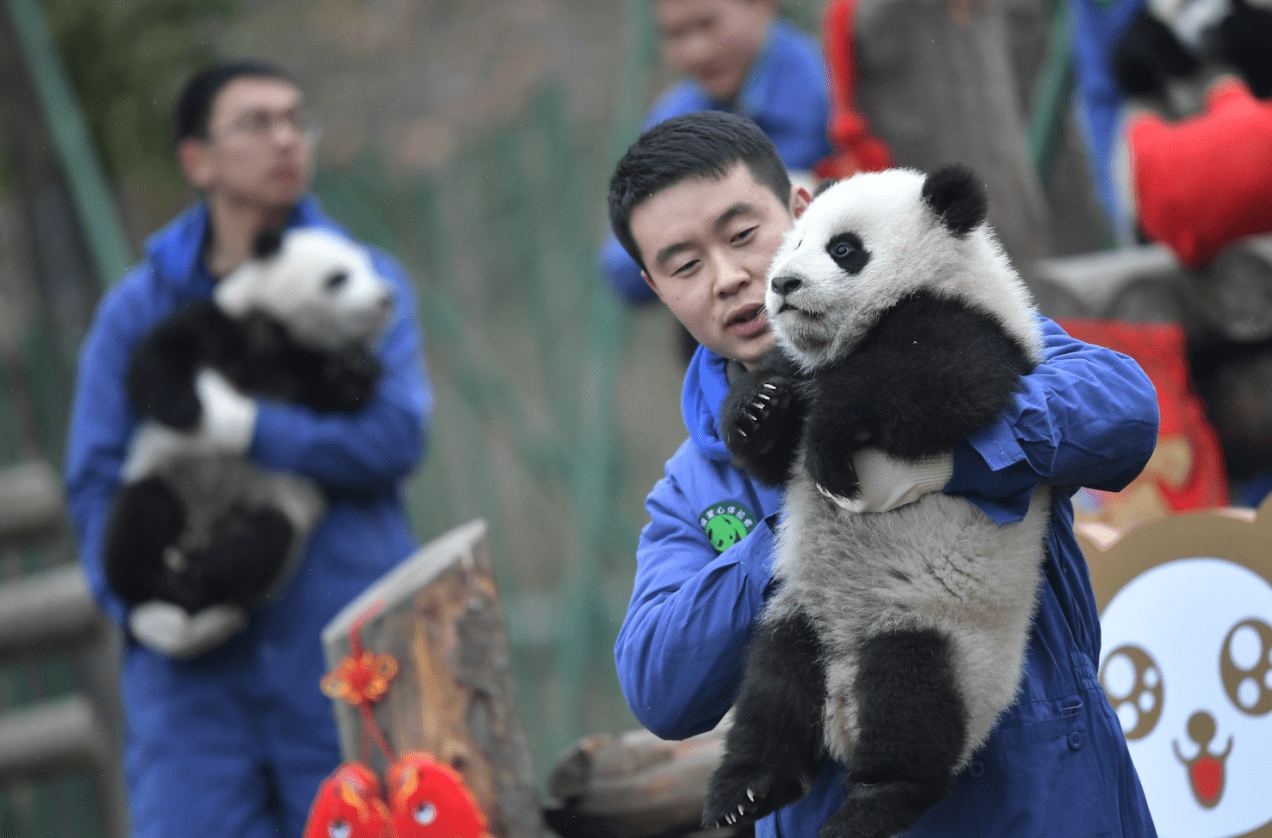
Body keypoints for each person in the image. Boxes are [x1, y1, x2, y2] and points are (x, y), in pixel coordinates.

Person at [608, 111, 1161, 837]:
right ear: (654, 285)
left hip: (1043, 799)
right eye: (684, 265)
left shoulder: (960, 320)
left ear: (803, 211)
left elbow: (1122, 410)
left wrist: (951, 457)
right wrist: (803, 537)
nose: (731, 277)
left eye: (744, 235)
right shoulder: (692, 488)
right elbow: (659, 685)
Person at [63, 60, 434, 837]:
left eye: (297, 119)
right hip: (190, 685)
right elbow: (96, 480)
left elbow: (396, 436)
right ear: (196, 159)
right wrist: (137, 606)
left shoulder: (357, 282)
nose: (286, 139)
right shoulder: (138, 310)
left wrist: (252, 430)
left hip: (343, 652)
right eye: (258, 123)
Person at [598, 0, 832, 310]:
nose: (695, 51)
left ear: (761, 6)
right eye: (674, 33)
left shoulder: (834, 90)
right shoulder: (673, 118)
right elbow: (621, 266)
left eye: (708, 24)